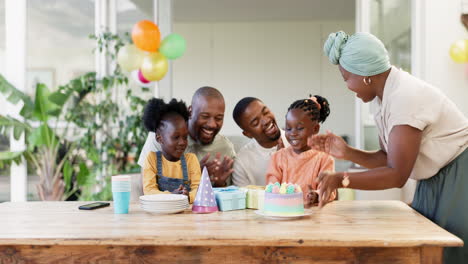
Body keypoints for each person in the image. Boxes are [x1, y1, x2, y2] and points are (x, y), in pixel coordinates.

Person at [314, 31, 468, 263]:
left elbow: (396, 175)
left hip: (459, 176)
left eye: (346, 78)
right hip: (436, 178)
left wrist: (340, 179)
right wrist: (347, 152)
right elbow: (389, 159)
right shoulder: (385, 96)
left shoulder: (405, 97)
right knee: (429, 251)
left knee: (450, 254)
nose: (347, 86)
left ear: (365, 75)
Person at [138, 86, 236, 187]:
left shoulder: (225, 148)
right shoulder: (161, 137)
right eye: (205, 116)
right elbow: (146, 191)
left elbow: (227, 197)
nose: (212, 124)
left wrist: (220, 184)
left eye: (218, 118)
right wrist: (193, 176)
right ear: (190, 111)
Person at [266, 95, 335, 206]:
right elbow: (272, 186)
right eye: (288, 128)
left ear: (315, 129)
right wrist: (275, 191)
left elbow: (328, 190)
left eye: (299, 128)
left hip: (312, 216)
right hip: (284, 213)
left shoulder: (324, 159)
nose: (293, 133)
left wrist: (317, 195)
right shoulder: (277, 157)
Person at [141, 98, 200, 203]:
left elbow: (199, 190)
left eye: (185, 137)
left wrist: (188, 196)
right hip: (161, 215)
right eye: (176, 137)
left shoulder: (191, 160)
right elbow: (149, 191)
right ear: (159, 138)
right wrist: (171, 196)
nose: (182, 142)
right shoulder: (152, 159)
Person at [232, 97, 289, 186]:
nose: (266, 121)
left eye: (266, 112)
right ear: (248, 134)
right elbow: (243, 199)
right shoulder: (242, 162)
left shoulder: (299, 141)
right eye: (255, 123)